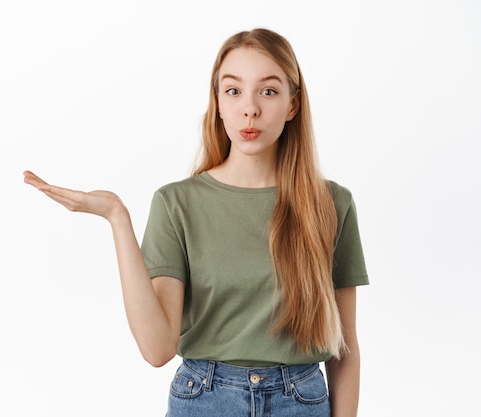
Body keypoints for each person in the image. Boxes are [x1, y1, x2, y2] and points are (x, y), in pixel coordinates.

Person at [24, 27, 369, 417]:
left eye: (268, 91)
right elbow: (157, 350)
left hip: (301, 401)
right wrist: (118, 219)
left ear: (293, 104)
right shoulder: (177, 204)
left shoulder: (332, 205)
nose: (250, 108)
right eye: (234, 91)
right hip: (205, 400)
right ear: (218, 103)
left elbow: (346, 350)